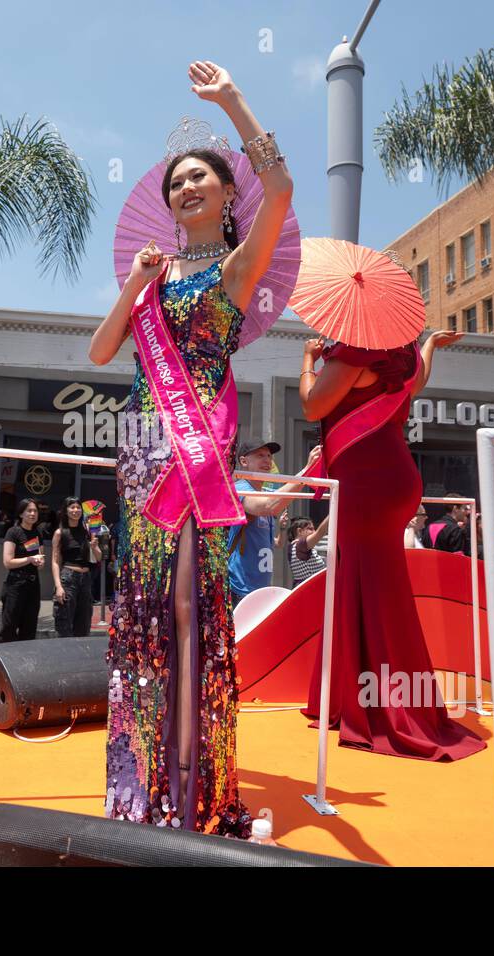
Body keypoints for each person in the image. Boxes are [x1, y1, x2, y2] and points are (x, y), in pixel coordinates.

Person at [89, 60, 293, 835]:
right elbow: (103, 354)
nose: (187, 189)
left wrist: (233, 102)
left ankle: (196, 780)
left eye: (202, 178)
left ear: (223, 196)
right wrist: (134, 286)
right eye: (178, 183)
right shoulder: (151, 276)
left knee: (189, 606)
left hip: (200, 448)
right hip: (145, 446)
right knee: (143, 610)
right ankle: (143, 781)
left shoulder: (239, 269)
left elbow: (281, 191)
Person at [298, 327, 483, 760]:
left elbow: (311, 406)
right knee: (367, 587)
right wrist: (431, 345)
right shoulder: (400, 353)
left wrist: (307, 360)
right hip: (394, 478)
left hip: (367, 483)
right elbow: (416, 383)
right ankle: (351, 698)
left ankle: (387, 711)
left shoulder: (355, 349)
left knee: (370, 591)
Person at [228, 438, 322, 606]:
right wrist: (306, 471)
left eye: (269, 456)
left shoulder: (265, 491)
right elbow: (269, 505)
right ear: (243, 461)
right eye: (260, 455)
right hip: (240, 587)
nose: (267, 460)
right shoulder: (240, 487)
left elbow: (279, 498)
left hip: (261, 587)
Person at [51, 497, 102, 638]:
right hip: (68, 578)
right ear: (65, 511)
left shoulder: (88, 531)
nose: (75, 510)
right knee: (64, 623)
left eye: (78, 507)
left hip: (86, 579)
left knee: (84, 622)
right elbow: (55, 561)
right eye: (72, 507)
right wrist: (58, 586)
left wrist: (94, 547)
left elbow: (98, 558)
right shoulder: (60, 533)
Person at [0, 499, 44, 645]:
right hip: (15, 585)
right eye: (29, 511)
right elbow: (8, 562)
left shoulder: (37, 533)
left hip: (33, 583)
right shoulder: (13, 532)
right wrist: (30, 559)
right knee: (9, 625)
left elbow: (40, 561)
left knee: (29, 625)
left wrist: (39, 562)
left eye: (35, 511)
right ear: (21, 514)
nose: (32, 514)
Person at [288, 515, 329, 585]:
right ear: (299, 531)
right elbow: (320, 532)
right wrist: (333, 513)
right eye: (310, 529)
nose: (314, 532)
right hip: (310, 590)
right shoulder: (299, 546)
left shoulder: (299, 547)